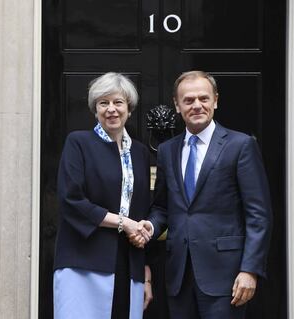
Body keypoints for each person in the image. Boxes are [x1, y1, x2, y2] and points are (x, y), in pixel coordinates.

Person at [132, 71, 272, 318]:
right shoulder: (167, 150)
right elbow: (163, 207)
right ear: (177, 105)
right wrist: (151, 227)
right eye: (188, 100)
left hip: (227, 278)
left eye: (203, 98)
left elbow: (258, 215)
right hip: (178, 276)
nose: (197, 105)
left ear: (215, 100)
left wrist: (250, 269)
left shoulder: (240, 146)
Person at [53, 72, 153, 319]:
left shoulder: (140, 153)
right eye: (103, 103)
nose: (111, 109)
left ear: (129, 109)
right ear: (95, 109)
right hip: (83, 261)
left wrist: (147, 273)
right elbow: (71, 200)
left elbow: (143, 211)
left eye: (118, 102)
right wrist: (123, 223)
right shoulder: (78, 143)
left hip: (129, 263)